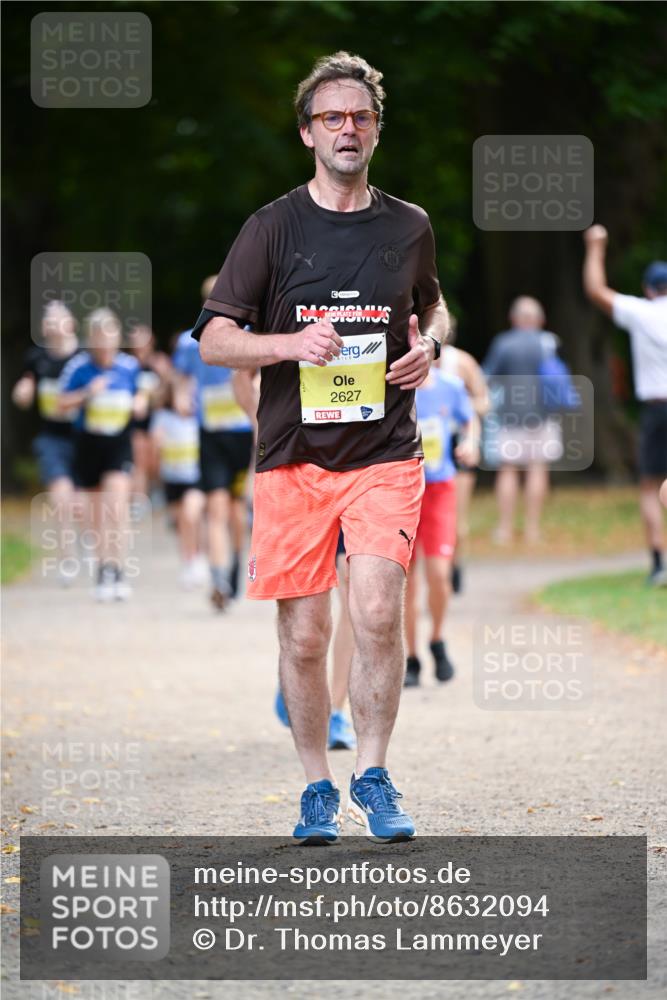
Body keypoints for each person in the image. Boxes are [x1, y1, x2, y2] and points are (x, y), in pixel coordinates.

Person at [193, 52, 448, 843]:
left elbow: (436, 308)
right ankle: (315, 786)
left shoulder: (409, 226)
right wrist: (288, 345)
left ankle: (372, 773)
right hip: (293, 459)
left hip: (385, 454)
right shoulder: (271, 228)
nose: (347, 129)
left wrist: (430, 348)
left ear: (376, 130)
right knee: (305, 636)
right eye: (332, 117)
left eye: (360, 117)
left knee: (375, 610)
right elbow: (214, 340)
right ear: (307, 133)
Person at [583, 226, 667, 586]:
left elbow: (596, 290)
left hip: (655, 408)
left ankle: (659, 563)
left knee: (650, 487)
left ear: (648, 289)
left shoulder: (641, 312)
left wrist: (595, 246)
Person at [173, 277, 254, 609]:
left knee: (236, 510)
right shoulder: (189, 341)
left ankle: (234, 566)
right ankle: (219, 578)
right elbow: (181, 378)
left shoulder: (249, 335)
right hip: (211, 434)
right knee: (217, 507)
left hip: (243, 433)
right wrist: (180, 396)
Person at [58, 308, 148, 601]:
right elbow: (60, 403)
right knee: (96, 514)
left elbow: (142, 393)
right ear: (90, 339)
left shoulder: (129, 366)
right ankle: (102, 569)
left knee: (116, 507)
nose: (104, 344)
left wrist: (139, 402)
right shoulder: (78, 367)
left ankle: (118, 570)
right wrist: (87, 393)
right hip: (88, 445)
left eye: (109, 337)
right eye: (98, 338)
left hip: (118, 444)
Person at [404, 366, 479, 687]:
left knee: (438, 573)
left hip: (439, 488)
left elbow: (470, 419)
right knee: (405, 579)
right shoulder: (392, 384)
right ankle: (411, 657)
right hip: (401, 490)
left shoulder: (451, 385)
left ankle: (436, 639)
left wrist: (471, 442)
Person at [482, 296, 564, 545]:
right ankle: (532, 529)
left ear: (514, 319)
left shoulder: (503, 343)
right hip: (543, 415)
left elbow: (487, 377)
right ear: (540, 319)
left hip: (510, 415)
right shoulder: (549, 342)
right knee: (537, 468)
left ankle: (505, 529)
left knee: (508, 469)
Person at [440, 316, 489, 592]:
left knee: (457, 518)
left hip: (456, 441)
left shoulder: (462, 363)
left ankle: (454, 566)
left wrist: (459, 405)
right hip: (421, 444)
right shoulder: (412, 360)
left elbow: (484, 402)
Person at [150, 383, 207, 589]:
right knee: (180, 523)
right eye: (181, 395)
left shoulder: (200, 417)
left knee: (190, 515)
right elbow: (154, 445)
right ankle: (188, 560)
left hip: (196, 477)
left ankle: (198, 556)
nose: (185, 400)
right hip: (172, 478)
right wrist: (157, 442)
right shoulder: (163, 417)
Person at [125, 324, 172, 507]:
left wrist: (162, 383)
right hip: (135, 419)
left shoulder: (159, 362)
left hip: (157, 417)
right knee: (139, 460)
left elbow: (168, 392)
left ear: (151, 340)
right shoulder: (127, 365)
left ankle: (159, 492)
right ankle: (140, 500)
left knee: (156, 460)